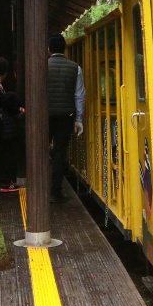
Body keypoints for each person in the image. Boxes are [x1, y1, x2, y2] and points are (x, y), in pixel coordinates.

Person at [46, 34, 85, 203]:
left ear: (48, 49)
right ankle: (55, 192)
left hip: (44, 116)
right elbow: (79, 95)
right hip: (66, 116)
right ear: (65, 48)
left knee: (41, 151)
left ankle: (40, 189)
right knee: (60, 153)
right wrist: (79, 119)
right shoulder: (75, 67)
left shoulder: (42, 66)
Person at [0, 57, 22, 191]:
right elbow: (2, 102)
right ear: (5, 72)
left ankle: (0, 182)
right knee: (4, 153)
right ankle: (4, 182)